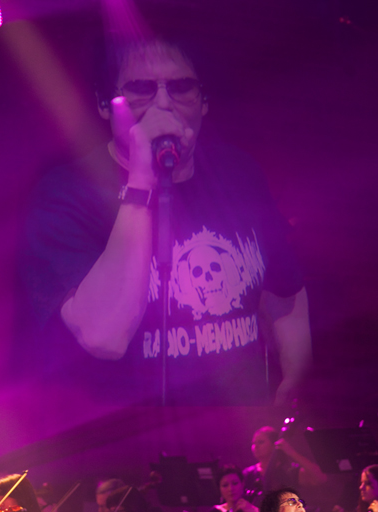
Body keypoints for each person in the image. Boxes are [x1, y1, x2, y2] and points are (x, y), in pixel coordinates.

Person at [20, 31, 311, 406]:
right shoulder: (68, 194)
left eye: (181, 87)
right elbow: (104, 336)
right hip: (131, 437)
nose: (163, 104)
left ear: (203, 101)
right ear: (105, 104)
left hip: (244, 428)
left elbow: (284, 289)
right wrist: (142, 179)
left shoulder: (239, 174)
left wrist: (296, 374)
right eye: (141, 89)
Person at [243, 426, 326, 507]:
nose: (255, 446)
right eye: (253, 443)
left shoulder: (288, 470)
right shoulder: (248, 473)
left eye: (261, 442)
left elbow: (320, 478)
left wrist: (291, 452)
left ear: (274, 444)